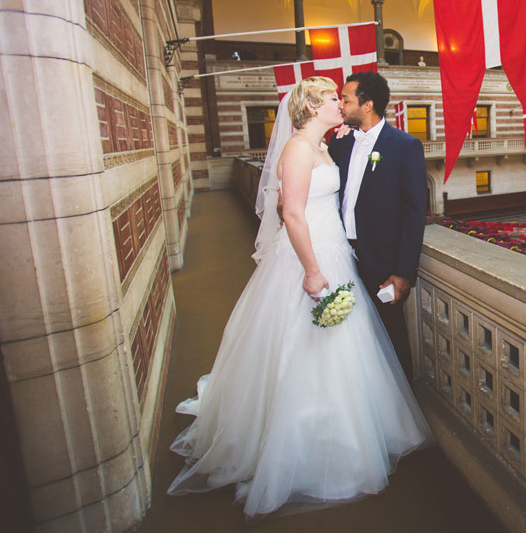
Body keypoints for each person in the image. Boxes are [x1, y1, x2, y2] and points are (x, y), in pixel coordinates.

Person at [167, 77, 431, 520]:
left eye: (342, 98)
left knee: (349, 348)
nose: (338, 104)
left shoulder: (333, 146)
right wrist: (311, 269)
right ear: (312, 108)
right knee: (300, 345)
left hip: (341, 256)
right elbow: (290, 211)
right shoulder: (297, 149)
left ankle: (354, 430)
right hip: (311, 260)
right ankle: (301, 444)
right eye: (332, 98)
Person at [327, 71, 427, 378]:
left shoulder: (404, 146)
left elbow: (414, 212)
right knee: (347, 336)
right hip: (340, 255)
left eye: (346, 99)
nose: (341, 106)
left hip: (383, 262)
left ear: (367, 104)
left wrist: (403, 273)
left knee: (391, 337)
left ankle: (403, 404)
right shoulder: (341, 143)